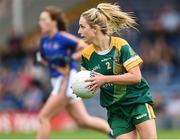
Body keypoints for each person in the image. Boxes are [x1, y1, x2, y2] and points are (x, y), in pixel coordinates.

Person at [78, 3, 157, 139]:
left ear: (95, 28)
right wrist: (80, 87)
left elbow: (136, 77)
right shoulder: (86, 55)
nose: (79, 32)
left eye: (82, 27)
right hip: (116, 111)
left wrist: (104, 79)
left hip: (137, 102)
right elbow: (86, 82)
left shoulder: (120, 45)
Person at [37, 6, 111, 139]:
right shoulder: (44, 40)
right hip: (57, 80)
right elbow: (42, 59)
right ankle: (115, 134)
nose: (40, 23)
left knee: (43, 117)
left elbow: (86, 48)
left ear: (53, 22)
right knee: (83, 120)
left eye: (43, 20)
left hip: (66, 79)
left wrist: (70, 58)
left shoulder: (62, 37)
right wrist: (42, 60)